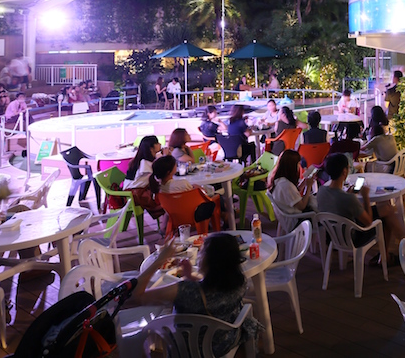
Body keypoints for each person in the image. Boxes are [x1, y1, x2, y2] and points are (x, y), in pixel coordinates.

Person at [128, 234, 261, 356]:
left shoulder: (185, 290)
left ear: (211, 262)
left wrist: (160, 259)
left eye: (202, 252)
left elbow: (137, 295)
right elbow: (212, 291)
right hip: (225, 339)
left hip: (187, 347)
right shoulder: (239, 281)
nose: (198, 256)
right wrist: (190, 276)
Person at [318, 153, 404, 262]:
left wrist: (350, 195)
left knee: (386, 208)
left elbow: (338, 206)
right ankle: (399, 248)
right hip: (352, 237)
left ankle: (396, 248)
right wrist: (365, 196)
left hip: (332, 235)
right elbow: (368, 222)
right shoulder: (348, 199)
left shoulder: (321, 191)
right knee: (386, 217)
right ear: (344, 172)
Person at [123, 136, 165, 218]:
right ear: (151, 148)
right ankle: (167, 225)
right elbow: (160, 174)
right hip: (133, 194)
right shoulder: (144, 163)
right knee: (166, 199)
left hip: (137, 191)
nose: (160, 144)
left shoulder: (142, 160)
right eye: (157, 143)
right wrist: (165, 157)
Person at [267, 149, 316, 215]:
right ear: (292, 166)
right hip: (298, 218)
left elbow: (291, 195)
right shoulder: (286, 185)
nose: (299, 166)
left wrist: (303, 183)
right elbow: (302, 206)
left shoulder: (275, 178)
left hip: (287, 212)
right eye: (298, 163)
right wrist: (308, 187)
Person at [362, 105, 398, 172]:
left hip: (386, 165)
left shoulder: (376, 139)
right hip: (395, 163)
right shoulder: (390, 136)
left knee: (366, 165)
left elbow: (363, 149)